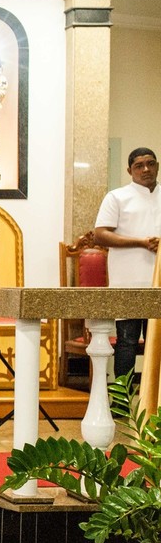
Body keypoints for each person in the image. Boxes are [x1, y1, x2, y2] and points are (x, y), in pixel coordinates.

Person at [94, 147, 161, 377]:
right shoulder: (117, 197)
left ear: (158, 166)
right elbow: (100, 234)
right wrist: (141, 242)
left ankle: (155, 405)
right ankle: (122, 404)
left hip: (158, 284)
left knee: (158, 344)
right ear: (129, 170)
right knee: (127, 343)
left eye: (151, 164)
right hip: (128, 282)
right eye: (139, 165)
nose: (146, 169)